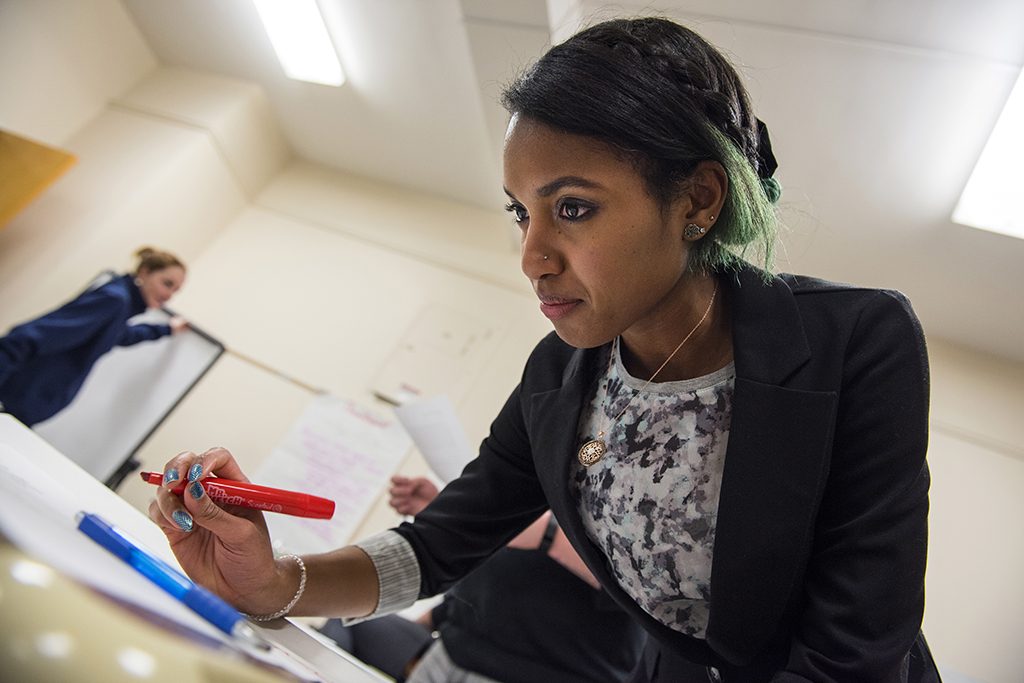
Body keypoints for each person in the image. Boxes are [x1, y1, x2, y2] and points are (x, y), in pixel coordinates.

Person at [148, 17, 940, 682]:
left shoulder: (856, 341)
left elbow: (856, 638)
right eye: (520, 213)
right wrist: (276, 579)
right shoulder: (557, 377)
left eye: (572, 207)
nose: (532, 254)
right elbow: (435, 545)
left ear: (697, 198)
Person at [318, 475, 645, 682]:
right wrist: (444, 509)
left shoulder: (639, 490)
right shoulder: (542, 465)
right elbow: (492, 575)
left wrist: (548, 537)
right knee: (345, 623)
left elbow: (649, 587)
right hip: (452, 650)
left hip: (543, 670)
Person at [0, 246, 188, 426]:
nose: (168, 295)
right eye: (167, 284)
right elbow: (31, 336)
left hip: (18, 408)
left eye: (175, 290)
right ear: (145, 272)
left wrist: (168, 329)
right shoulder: (115, 300)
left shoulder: (122, 306)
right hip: (10, 401)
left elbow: (123, 335)